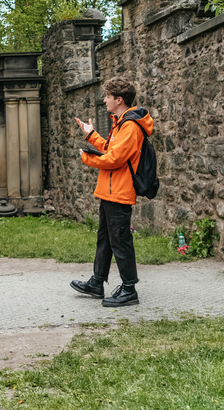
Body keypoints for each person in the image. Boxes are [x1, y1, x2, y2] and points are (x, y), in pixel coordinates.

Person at [70, 76, 154, 307]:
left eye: (107, 96)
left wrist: (86, 157)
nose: (104, 100)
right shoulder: (121, 122)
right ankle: (97, 282)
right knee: (105, 239)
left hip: (119, 192)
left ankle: (129, 289)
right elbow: (110, 148)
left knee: (121, 240)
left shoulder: (130, 126)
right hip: (109, 191)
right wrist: (91, 134)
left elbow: (115, 159)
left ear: (119, 99)